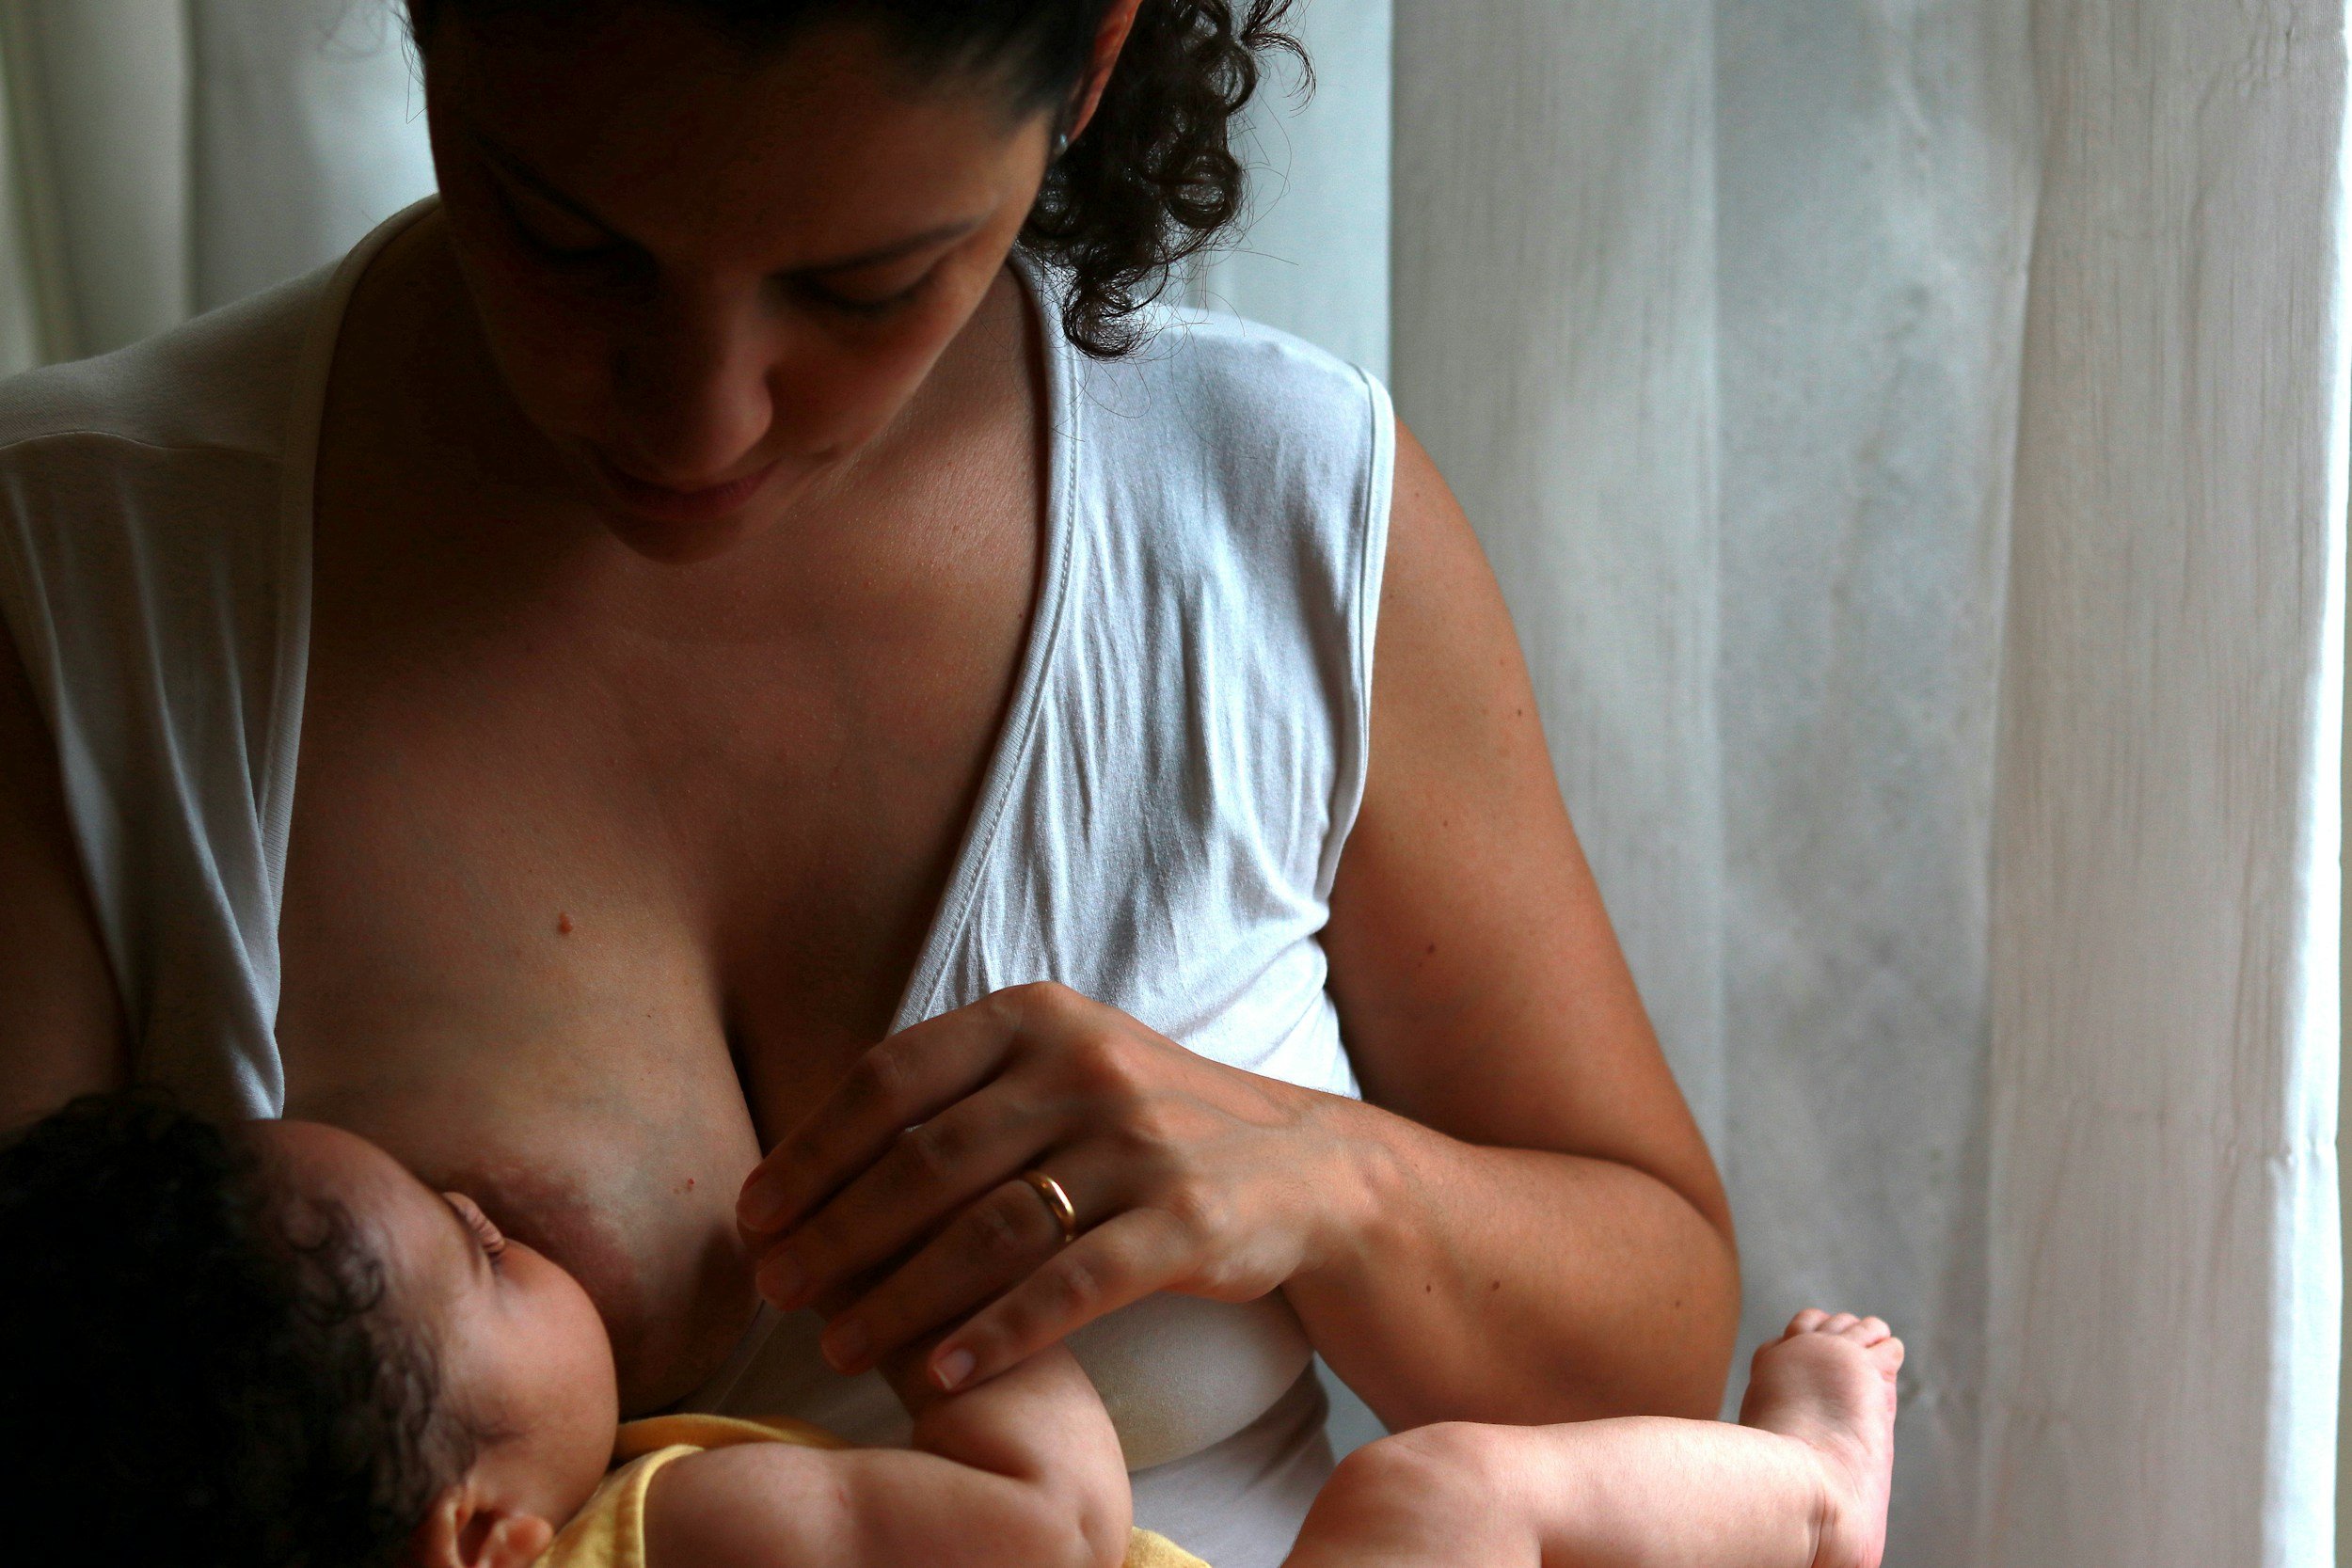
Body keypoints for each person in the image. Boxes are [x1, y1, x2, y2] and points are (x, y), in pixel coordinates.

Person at [0, 3, 1740, 1561]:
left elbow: (1659, 1336)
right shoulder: (75, 578)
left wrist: (1325, 1179)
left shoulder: (1279, 517)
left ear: (1094, 61)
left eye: (858, 284)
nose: (701, 425)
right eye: (567, 242)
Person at [0, 1095, 1899, 1568]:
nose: (506, 1215)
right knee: (1424, 1504)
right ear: (484, 1538)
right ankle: (1809, 1498)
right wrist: (943, 1312)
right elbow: (1053, 1536)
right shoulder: (668, 1536)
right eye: (483, 1255)